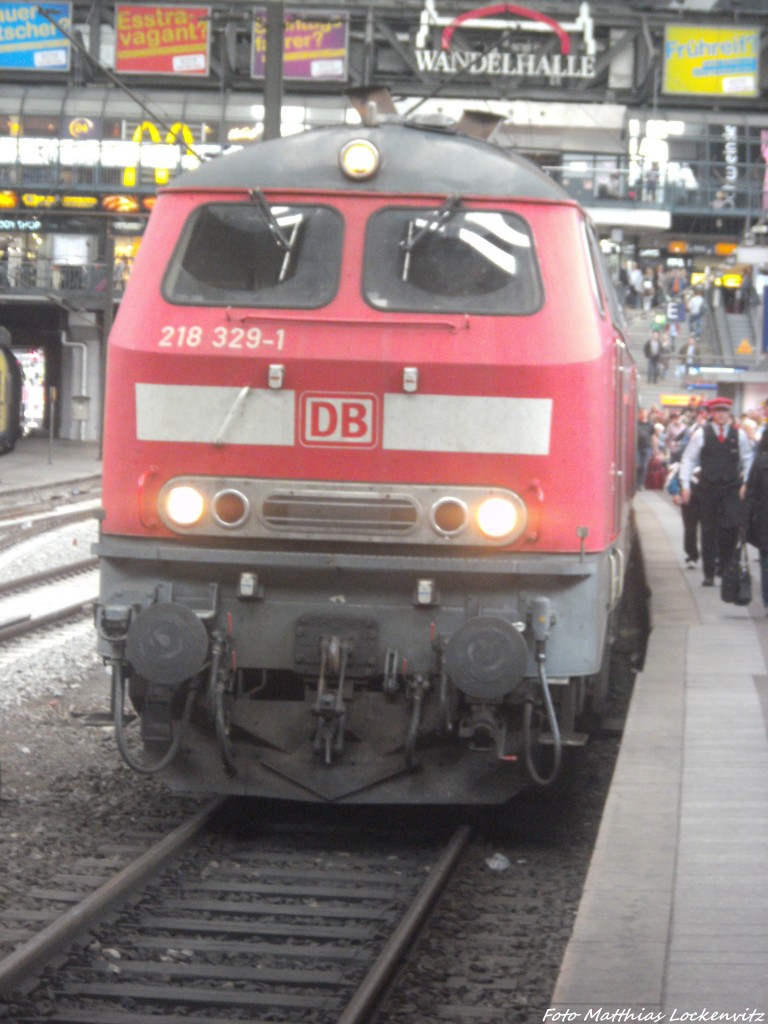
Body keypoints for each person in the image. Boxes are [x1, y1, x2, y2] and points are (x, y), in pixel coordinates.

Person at [679, 396, 753, 586]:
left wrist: (746, 482)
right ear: (711, 413)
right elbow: (689, 459)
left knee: (731, 527)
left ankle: (725, 563)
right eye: (718, 411)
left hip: (730, 488)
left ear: (729, 413)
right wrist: (685, 485)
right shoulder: (701, 434)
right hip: (708, 488)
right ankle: (709, 572)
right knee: (708, 530)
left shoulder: (739, 435)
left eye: (725, 411)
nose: (721, 415)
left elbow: (747, 458)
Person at [745, 430, 768, 611]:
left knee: (766, 563)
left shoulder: (760, 462)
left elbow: (751, 493)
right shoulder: (760, 462)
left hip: (763, 520)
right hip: (764, 520)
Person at [636, 407, 653, 490]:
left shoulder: (650, 424)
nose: (643, 414)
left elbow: (653, 436)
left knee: (644, 466)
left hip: (647, 447)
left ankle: (640, 483)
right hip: (637, 447)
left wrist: (655, 449)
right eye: (642, 413)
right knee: (637, 464)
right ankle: (635, 482)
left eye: (645, 413)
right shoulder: (636, 423)